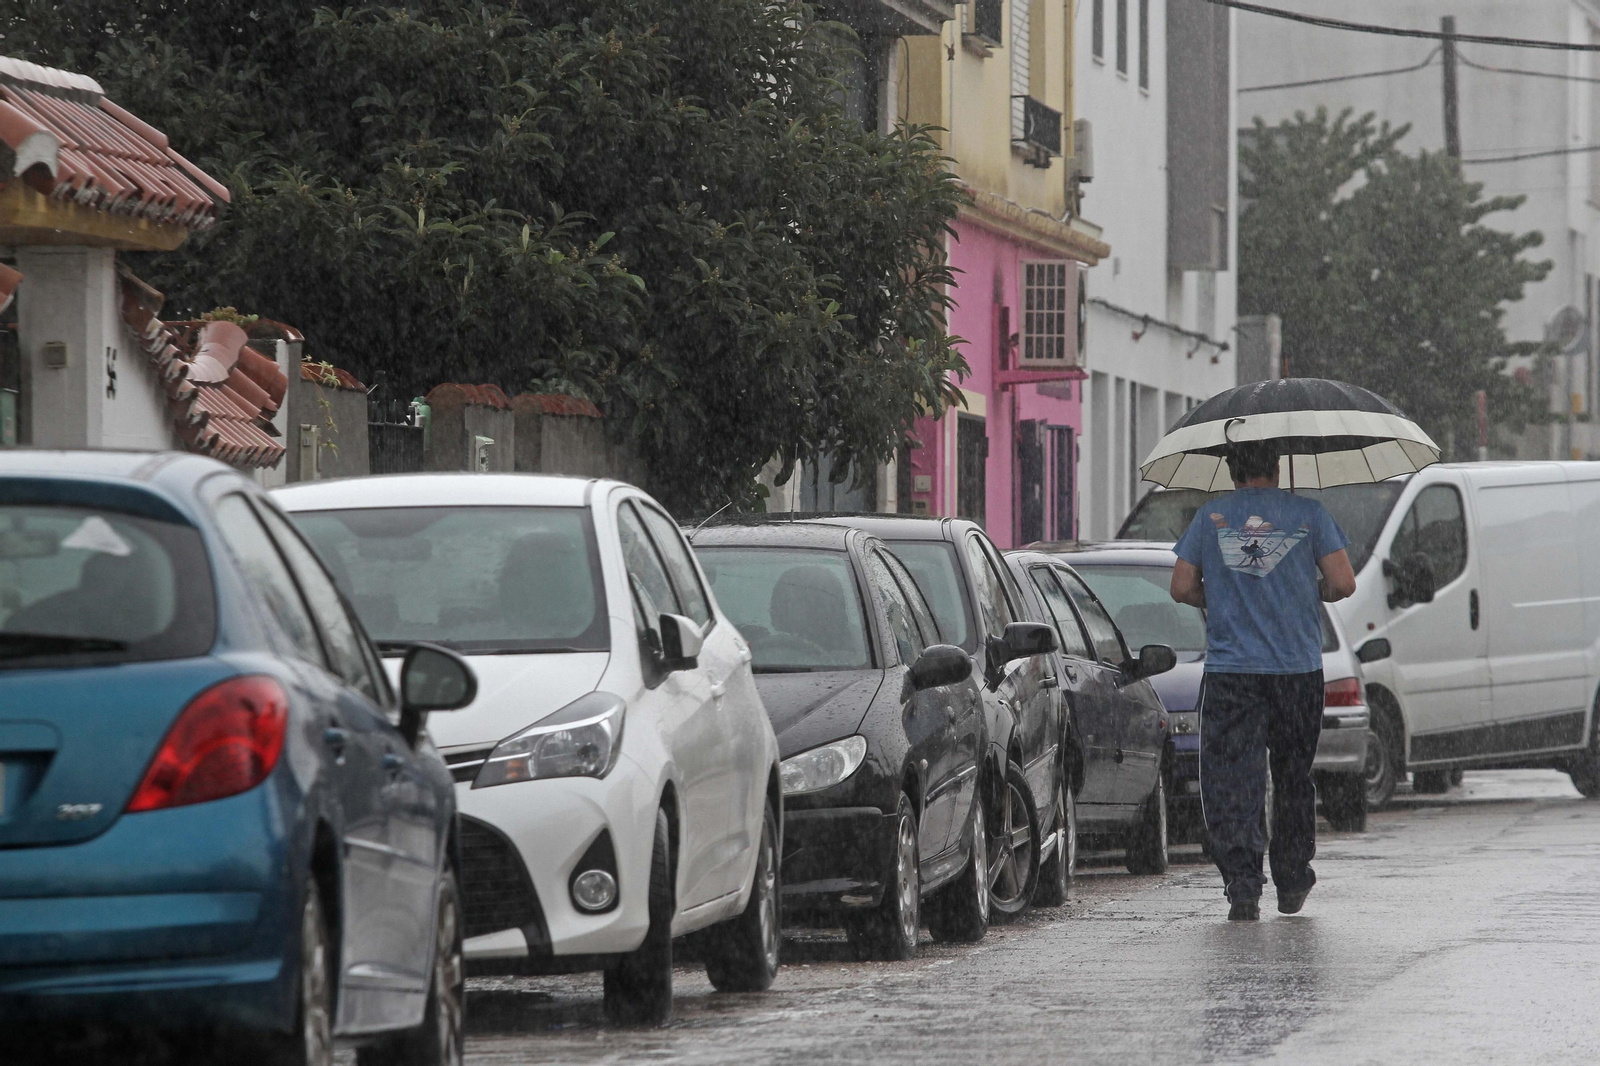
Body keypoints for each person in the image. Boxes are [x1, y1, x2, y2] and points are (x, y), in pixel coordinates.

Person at [1169, 439, 1357, 921]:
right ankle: (1292, 878)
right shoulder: (1310, 514)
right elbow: (1342, 583)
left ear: (1232, 470)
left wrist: (1223, 597)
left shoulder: (1210, 516)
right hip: (1297, 671)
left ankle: (1243, 884)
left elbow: (1182, 586)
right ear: (1277, 467)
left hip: (1233, 673)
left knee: (1234, 778)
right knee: (1294, 776)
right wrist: (1300, 589)